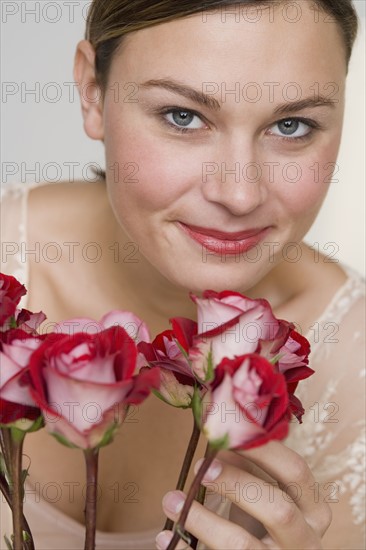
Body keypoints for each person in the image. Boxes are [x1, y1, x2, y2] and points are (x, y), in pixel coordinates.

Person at [1, 0, 365, 548]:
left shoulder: (353, 359)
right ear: (92, 92)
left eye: (292, 125)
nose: (240, 194)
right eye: (183, 116)